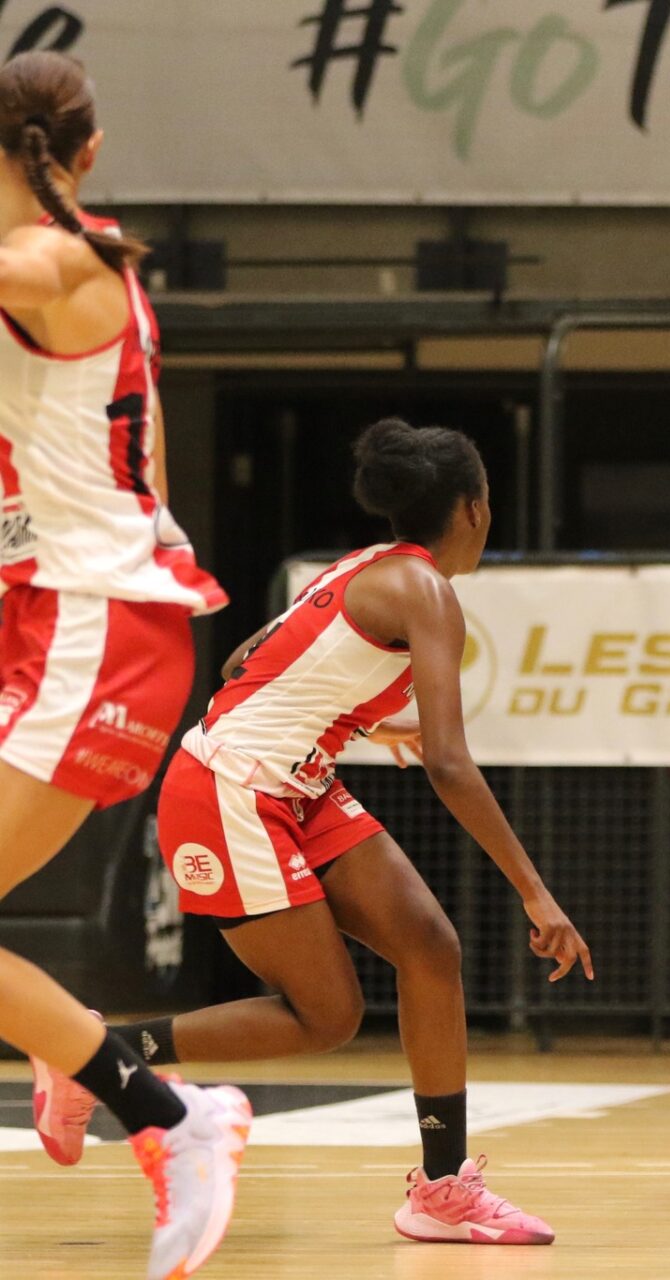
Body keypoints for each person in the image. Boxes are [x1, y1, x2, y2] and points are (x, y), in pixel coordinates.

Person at [32, 418, 594, 1246]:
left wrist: (343, 728)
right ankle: (96, 1054)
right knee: (326, 1016)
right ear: (474, 509)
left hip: (295, 783)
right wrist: (537, 895)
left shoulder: (364, 567)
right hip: (230, 790)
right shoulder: (428, 592)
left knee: (430, 948)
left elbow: (242, 666)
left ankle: (442, 1191)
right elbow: (450, 764)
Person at [0, 51, 252, 1280]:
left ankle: (167, 1113)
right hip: (45, 617)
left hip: (93, 622)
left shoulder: (55, 264)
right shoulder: (76, 255)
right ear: (89, 147)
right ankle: (61, 1037)